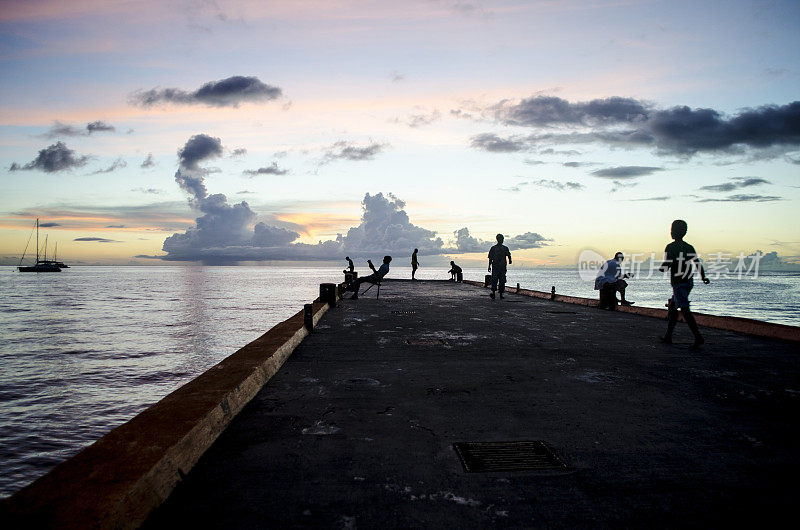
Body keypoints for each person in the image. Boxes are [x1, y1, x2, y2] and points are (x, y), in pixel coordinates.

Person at [659, 220, 710, 348]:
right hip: (688, 282)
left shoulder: (670, 247)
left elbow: (667, 264)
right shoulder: (689, 247)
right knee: (673, 308)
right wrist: (703, 277)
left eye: (672, 230)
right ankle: (668, 336)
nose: (671, 232)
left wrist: (662, 268)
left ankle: (698, 337)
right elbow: (697, 263)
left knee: (685, 310)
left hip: (678, 283)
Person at [488, 234, 512, 299]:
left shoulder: (505, 248)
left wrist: (510, 260)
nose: (501, 240)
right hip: (496, 267)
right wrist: (489, 266)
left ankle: (500, 294)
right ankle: (494, 293)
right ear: (497, 239)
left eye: (502, 239)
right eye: (500, 239)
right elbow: (490, 258)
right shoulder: (494, 248)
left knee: (502, 280)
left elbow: (509, 255)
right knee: (495, 280)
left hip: (502, 267)